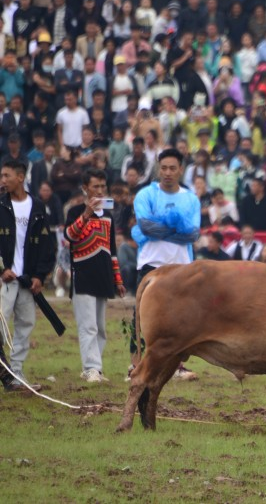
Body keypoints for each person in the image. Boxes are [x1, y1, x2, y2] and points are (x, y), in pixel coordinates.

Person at [130, 148, 201, 380]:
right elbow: (145, 227)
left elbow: (192, 234)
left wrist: (159, 230)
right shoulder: (145, 195)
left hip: (181, 266)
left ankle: (177, 367)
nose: (167, 173)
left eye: (172, 168)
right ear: (158, 168)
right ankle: (136, 366)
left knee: (181, 319)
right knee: (140, 317)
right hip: (151, 263)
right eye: (163, 168)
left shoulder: (190, 198)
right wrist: (174, 229)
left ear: (181, 170)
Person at [64, 168, 125, 383]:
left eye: (102, 186)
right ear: (85, 188)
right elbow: (70, 235)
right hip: (83, 275)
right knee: (87, 325)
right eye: (95, 187)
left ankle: (95, 369)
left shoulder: (108, 216)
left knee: (100, 327)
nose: (99, 191)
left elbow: (112, 251)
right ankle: (90, 367)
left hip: (103, 275)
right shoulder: (75, 212)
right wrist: (86, 215)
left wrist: (117, 279)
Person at [0, 159, 55, 392]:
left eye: (6, 176)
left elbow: (46, 245)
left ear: (20, 177)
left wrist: (40, 276)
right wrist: (2, 269)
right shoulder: (0, 205)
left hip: (26, 280)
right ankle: (7, 374)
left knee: (26, 324)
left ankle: (17, 373)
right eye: (1, 176)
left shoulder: (38, 207)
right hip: (4, 279)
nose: (2, 181)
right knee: (1, 326)